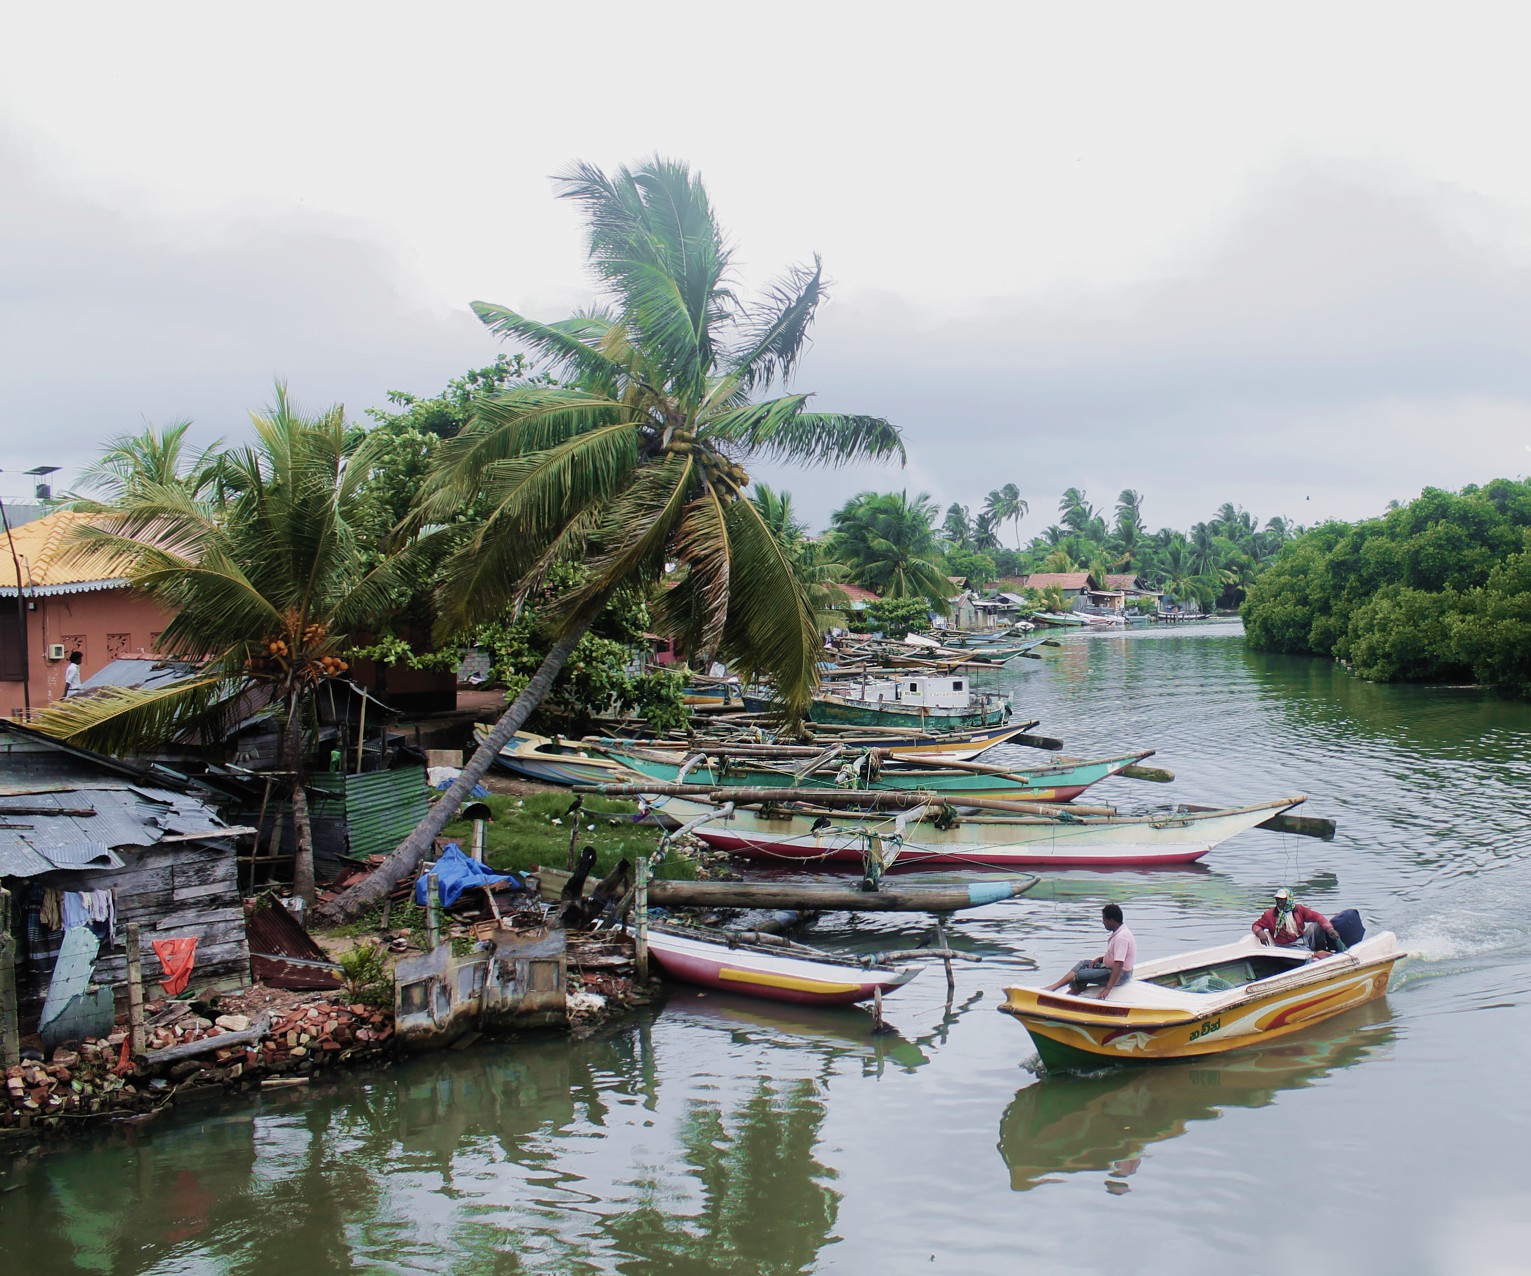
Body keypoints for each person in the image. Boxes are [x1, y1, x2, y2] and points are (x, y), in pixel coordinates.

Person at [1044, 903, 1136, 999]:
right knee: (1083, 964)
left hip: (1120, 975)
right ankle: (1053, 987)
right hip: (1110, 967)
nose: (1103, 922)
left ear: (1112, 921)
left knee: (1081, 975)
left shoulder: (1122, 937)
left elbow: (1119, 964)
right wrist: (1100, 959)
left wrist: (1107, 989)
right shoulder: (1119, 932)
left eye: (1104, 920)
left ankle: (1068, 997)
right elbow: (1115, 955)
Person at [1252, 888, 1347, 954]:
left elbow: (1317, 916)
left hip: (1301, 939)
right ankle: (1313, 955)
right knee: (1307, 954)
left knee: (1317, 925)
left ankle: (1320, 950)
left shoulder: (1298, 910)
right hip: (1286, 945)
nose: (1279, 902)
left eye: (1282, 899)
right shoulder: (1270, 914)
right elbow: (1256, 925)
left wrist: (1329, 929)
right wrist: (1260, 933)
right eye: (1277, 899)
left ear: (1289, 899)